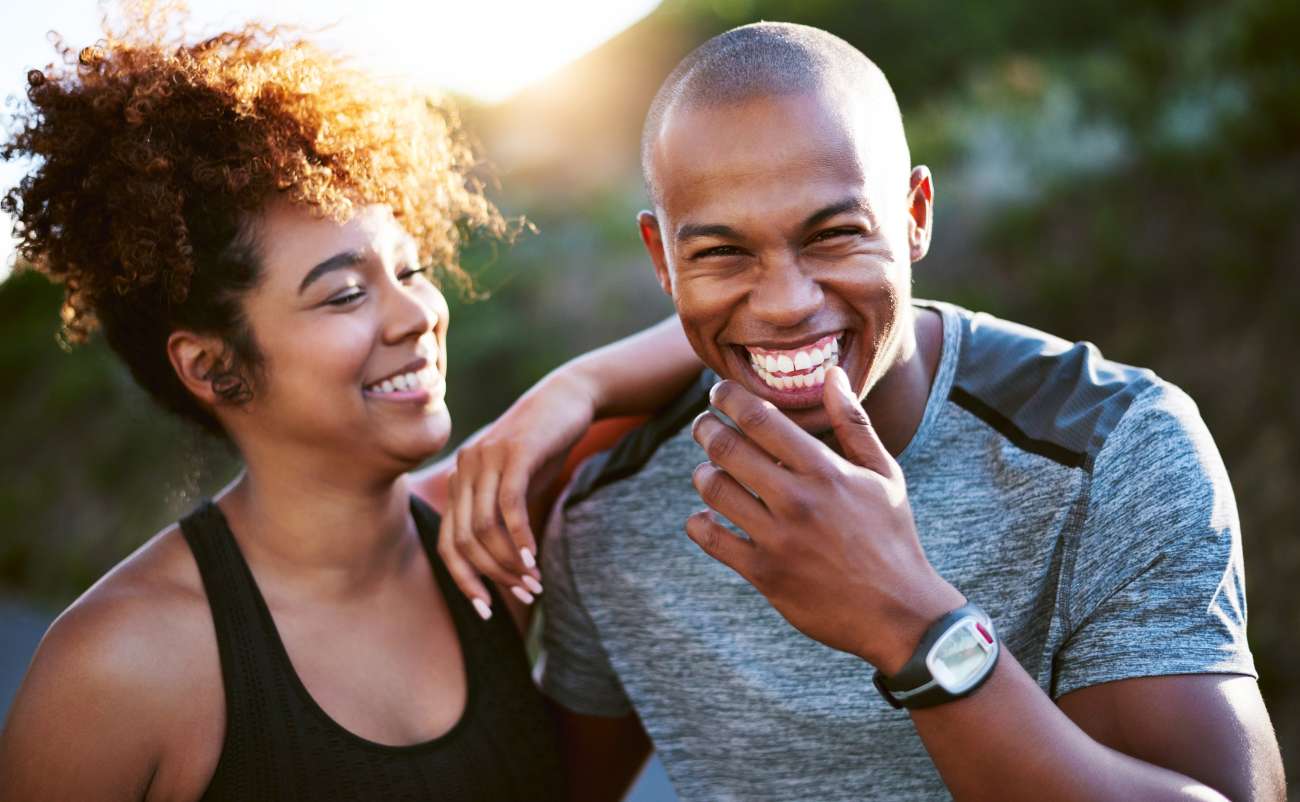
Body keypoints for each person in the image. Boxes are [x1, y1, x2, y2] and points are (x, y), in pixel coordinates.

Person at [442, 22, 1287, 802]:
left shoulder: (1111, 449)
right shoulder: (610, 515)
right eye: (722, 252)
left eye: (833, 235)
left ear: (914, 215)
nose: (784, 302)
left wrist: (914, 627)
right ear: (663, 261)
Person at [0, 6, 702, 800]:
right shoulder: (117, 665)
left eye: (409, 270)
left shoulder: (491, 527)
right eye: (343, 295)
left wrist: (575, 387)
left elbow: (737, 327)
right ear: (211, 364)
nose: (415, 315)